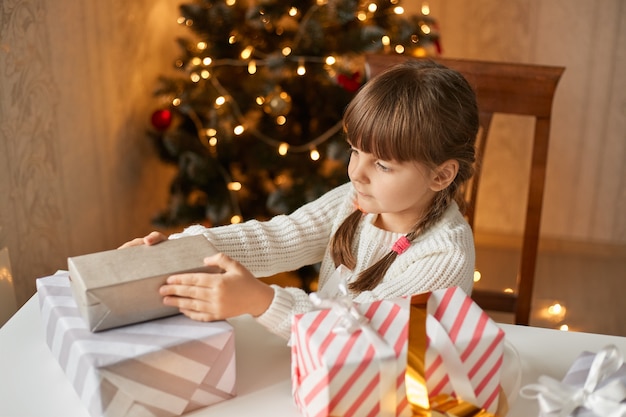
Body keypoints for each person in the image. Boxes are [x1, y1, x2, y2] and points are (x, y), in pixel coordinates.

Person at [121, 59, 479, 340]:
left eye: (382, 165)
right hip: (319, 375)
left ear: (441, 175)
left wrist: (260, 301)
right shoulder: (355, 201)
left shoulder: (445, 257)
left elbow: (361, 330)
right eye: (355, 151)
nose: (356, 173)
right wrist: (180, 250)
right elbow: (276, 238)